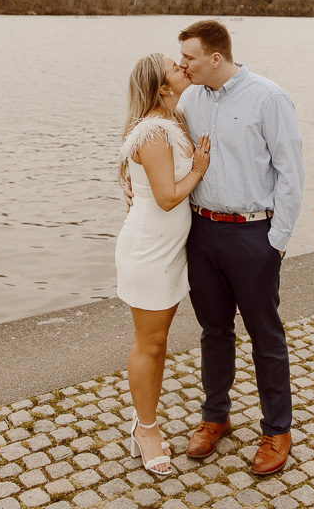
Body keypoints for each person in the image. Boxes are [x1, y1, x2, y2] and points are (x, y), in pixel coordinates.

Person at [124, 20, 305, 475]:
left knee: (266, 334)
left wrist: (276, 242)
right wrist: (130, 178)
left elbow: (291, 174)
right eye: (178, 59)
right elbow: (147, 127)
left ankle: (277, 429)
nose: (182, 64)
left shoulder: (269, 97)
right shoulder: (188, 100)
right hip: (201, 234)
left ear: (215, 58)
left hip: (252, 234)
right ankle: (214, 417)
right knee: (214, 332)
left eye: (188, 57)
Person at [115, 52, 211, 477]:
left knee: (159, 342)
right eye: (175, 67)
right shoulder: (154, 131)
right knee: (149, 344)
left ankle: (142, 419)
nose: (183, 67)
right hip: (149, 251)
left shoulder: (175, 120)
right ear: (161, 87)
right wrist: (201, 169)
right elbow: (170, 196)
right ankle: (146, 430)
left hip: (170, 249)